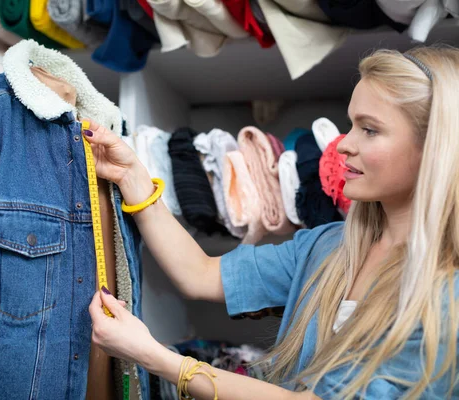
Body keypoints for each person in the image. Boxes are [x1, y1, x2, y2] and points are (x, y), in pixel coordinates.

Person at [84, 46, 459, 399]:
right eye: (351, 125)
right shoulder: (328, 247)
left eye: (370, 129)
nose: (343, 144)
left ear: (435, 147)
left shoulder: (448, 294)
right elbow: (199, 274)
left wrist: (157, 358)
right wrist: (133, 176)